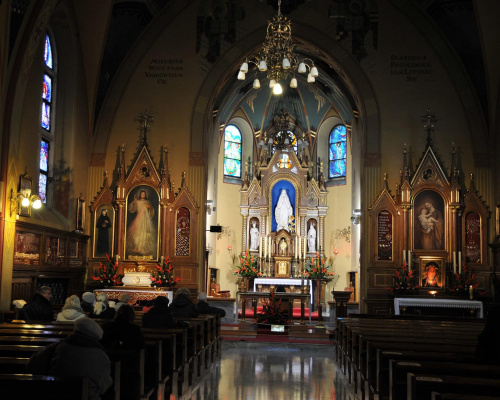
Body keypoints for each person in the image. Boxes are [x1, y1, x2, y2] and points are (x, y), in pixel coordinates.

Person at [26, 317, 113, 400]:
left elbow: (32, 365)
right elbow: (105, 387)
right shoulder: (101, 356)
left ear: (75, 331)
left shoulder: (56, 347)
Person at [126, 188, 157, 257]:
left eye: (144, 194)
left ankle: (143, 248)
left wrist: (149, 207)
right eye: (141, 194)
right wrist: (134, 202)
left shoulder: (147, 202)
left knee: (145, 233)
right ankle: (137, 247)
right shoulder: (137, 201)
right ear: (140, 195)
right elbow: (133, 210)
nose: (143, 195)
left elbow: (151, 210)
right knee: (137, 232)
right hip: (139, 218)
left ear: (145, 195)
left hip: (145, 219)